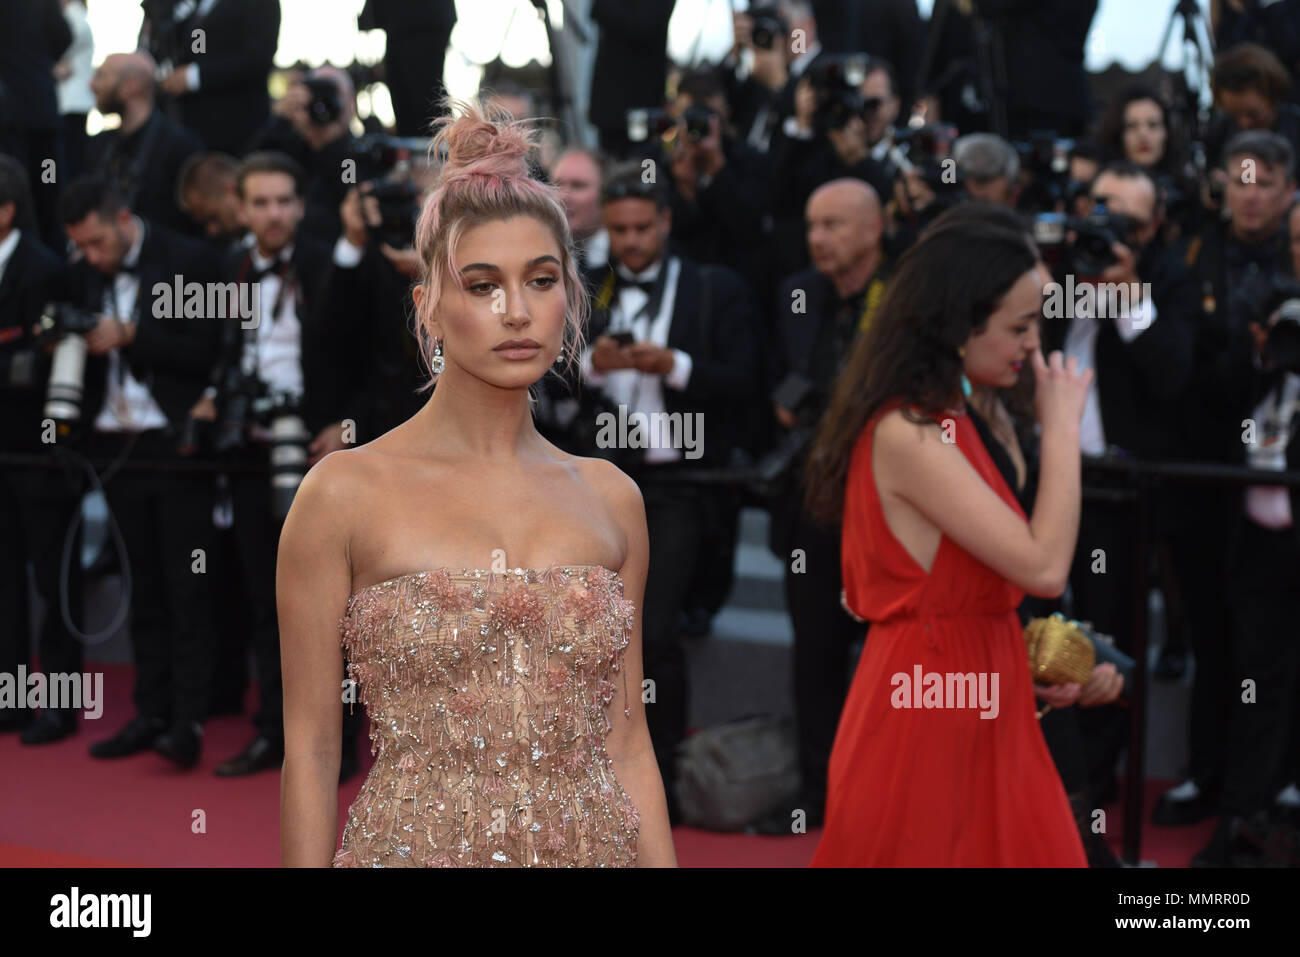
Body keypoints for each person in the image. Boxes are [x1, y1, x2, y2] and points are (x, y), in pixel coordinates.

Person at [278, 98, 675, 867]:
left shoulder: (611, 495)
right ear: (429, 307)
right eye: (483, 284)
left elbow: (628, 741)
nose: (517, 311)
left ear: (571, 297)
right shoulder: (342, 493)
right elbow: (314, 750)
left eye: (541, 279)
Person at [804, 205, 1092, 866]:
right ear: (961, 325)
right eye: (1019, 326)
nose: (1032, 343)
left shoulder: (965, 413)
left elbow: (990, 578)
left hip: (988, 691)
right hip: (925, 710)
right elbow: (1044, 567)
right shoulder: (910, 432)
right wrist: (1066, 430)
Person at [59, 176, 223, 767]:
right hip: (113, 447)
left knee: (187, 586)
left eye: (99, 242)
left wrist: (133, 335)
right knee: (141, 585)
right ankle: (149, 712)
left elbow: (205, 350)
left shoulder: (189, 260)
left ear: (124, 219)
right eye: (82, 246)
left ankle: (189, 722)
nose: (92, 256)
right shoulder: (83, 271)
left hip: (175, 447)